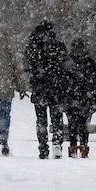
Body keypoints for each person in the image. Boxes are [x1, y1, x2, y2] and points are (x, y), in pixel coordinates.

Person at [23, 20, 70, 159]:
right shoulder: (58, 46)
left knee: (41, 119)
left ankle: (43, 146)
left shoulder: (32, 47)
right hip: (56, 88)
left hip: (39, 88)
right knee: (56, 118)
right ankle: (57, 144)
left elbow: (27, 66)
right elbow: (66, 67)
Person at [64, 38, 96, 158]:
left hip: (71, 98)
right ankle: (84, 147)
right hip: (87, 98)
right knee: (84, 124)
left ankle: (73, 147)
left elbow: (61, 81)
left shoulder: (67, 63)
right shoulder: (90, 62)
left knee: (72, 124)